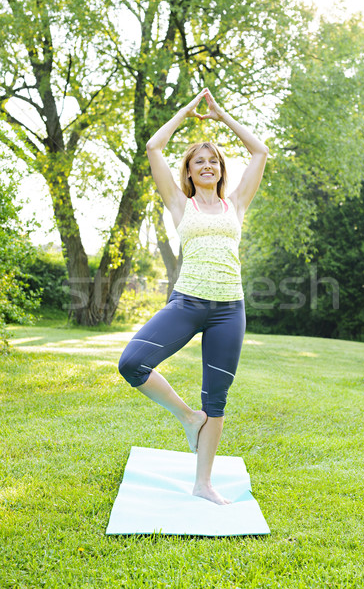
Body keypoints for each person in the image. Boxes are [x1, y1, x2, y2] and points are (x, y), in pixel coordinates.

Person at [118, 88, 268, 505]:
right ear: (188, 171)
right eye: (198, 161)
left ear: (221, 170)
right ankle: (188, 418)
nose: (207, 165)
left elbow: (260, 152)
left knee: (216, 399)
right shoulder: (180, 206)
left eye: (213, 161)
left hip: (229, 311)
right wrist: (186, 112)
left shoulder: (236, 204)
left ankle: (203, 484)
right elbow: (153, 146)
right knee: (132, 363)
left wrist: (221, 116)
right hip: (187, 303)